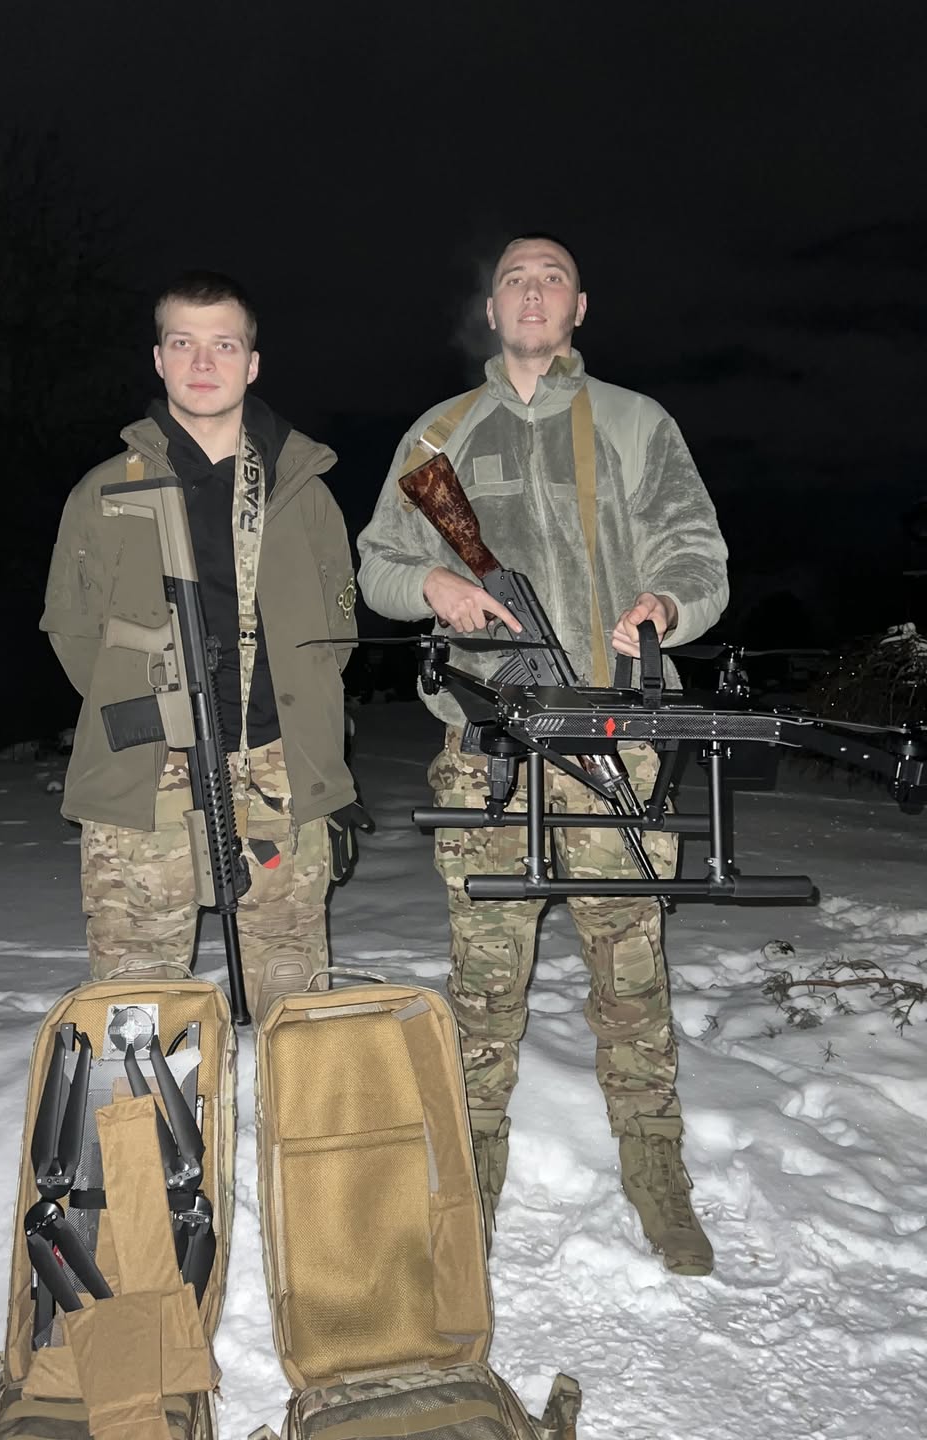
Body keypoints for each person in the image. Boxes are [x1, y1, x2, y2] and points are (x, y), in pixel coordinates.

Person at [357, 234, 729, 1274]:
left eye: (551, 279)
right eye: (514, 279)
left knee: (631, 973)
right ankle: (467, 1187)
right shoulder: (438, 434)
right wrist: (434, 586)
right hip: (489, 746)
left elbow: (699, 552)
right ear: (491, 308)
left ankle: (657, 1177)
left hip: (616, 735)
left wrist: (664, 607)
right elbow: (378, 562)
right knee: (483, 987)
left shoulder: (635, 422)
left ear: (579, 308)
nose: (531, 293)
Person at [41, 270, 370, 1023]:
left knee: (292, 996)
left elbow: (336, 632)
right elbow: (74, 633)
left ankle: (286, 1106)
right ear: (158, 359)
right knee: (137, 1005)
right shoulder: (104, 492)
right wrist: (151, 715)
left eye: (223, 344)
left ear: (252, 363)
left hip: (280, 770)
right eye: (182, 342)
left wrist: (287, 722)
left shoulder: (301, 490)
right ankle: (156, 1108)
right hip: (145, 772)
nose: (202, 361)